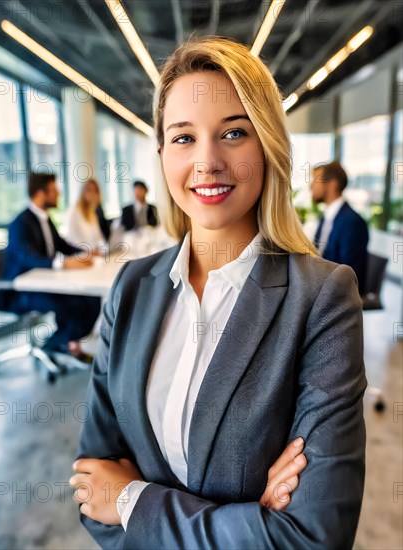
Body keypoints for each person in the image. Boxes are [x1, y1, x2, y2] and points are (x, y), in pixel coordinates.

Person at [71, 38, 366, 549]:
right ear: (162, 154)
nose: (207, 162)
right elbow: (89, 486)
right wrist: (248, 521)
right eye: (183, 138)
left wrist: (131, 502)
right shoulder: (132, 286)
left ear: (269, 145)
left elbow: (311, 538)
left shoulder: (321, 298)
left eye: (233, 132)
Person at [0, 172, 101, 356]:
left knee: (91, 298)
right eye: (54, 190)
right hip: (21, 290)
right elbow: (27, 258)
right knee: (71, 305)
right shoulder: (20, 223)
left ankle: (63, 342)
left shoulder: (45, 218)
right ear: (41, 193)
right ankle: (53, 345)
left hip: (45, 284)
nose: (59, 194)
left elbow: (61, 244)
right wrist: (63, 264)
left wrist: (85, 253)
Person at [311, 161, 369, 293]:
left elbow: (346, 274)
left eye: (316, 180)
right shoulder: (326, 217)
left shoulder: (352, 222)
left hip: (338, 296)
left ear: (332, 184)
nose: (311, 185)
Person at [66, 178, 108, 253]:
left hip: (94, 256)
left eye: (95, 191)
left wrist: (101, 250)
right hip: (79, 256)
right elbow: (71, 240)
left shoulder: (93, 214)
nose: (92, 194)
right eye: (89, 190)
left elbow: (100, 239)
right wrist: (90, 251)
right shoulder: (74, 211)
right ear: (83, 192)